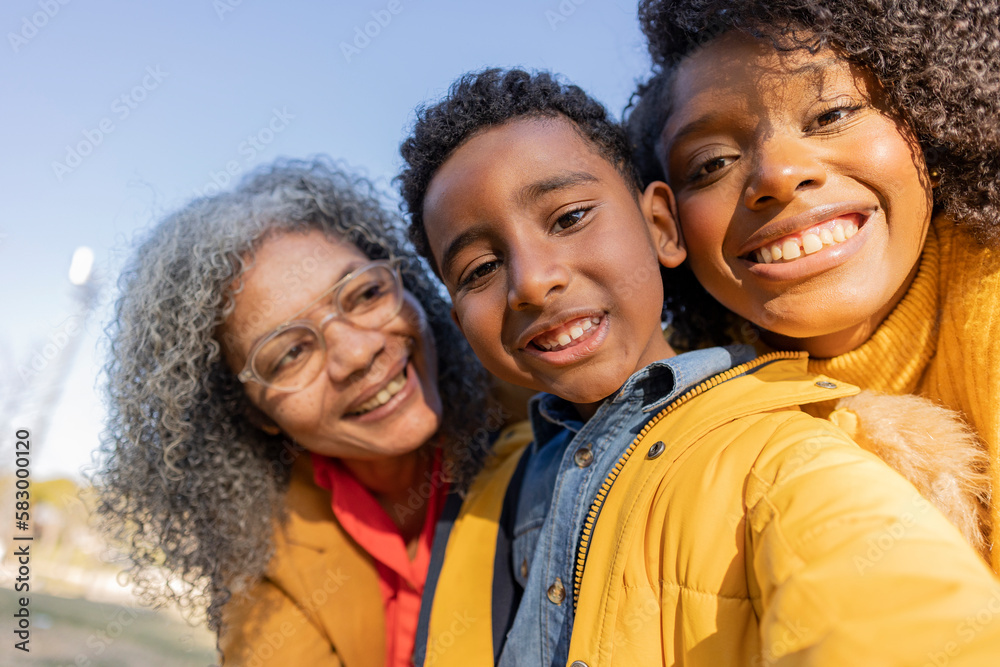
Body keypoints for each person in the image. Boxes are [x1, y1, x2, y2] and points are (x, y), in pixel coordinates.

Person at [396, 68, 1000, 666]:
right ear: (458, 319)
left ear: (660, 226)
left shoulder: (784, 456)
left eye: (570, 217)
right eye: (479, 269)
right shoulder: (487, 482)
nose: (531, 281)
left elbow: (914, 623)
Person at [93, 158, 528, 666]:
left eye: (365, 293)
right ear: (255, 412)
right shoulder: (263, 558)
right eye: (290, 353)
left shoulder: (550, 416)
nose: (358, 354)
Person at [626, 0, 1000, 571]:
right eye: (711, 163)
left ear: (927, 119)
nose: (777, 173)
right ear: (665, 224)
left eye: (831, 115)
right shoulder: (677, 433)